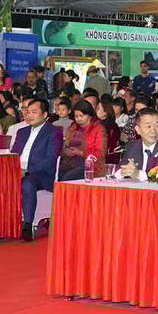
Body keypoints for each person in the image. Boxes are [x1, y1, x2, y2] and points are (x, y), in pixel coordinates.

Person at [13, 98, 63, 241]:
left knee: (28, 182)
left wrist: (27, 170)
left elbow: (50, 160)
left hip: (42, 175)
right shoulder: (21, 131)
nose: (29, 115)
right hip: (18, 170)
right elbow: (14, 154)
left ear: (45, 114)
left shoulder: (53, 132)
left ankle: (27, 225)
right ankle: (2, 223)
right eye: (27, 112)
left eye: (34, 112)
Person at [119, 107, 158, 180]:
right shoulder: (132, 146)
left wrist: (138, 174)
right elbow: (119, 169)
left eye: (157, 126)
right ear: (138, 130)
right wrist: (123, 172)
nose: (153, 131)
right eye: (148, 126)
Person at [57, 99, 107, 180]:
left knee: (67, 178)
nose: (78, 119)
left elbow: (101, 153)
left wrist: (80, 152)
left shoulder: (98, 129)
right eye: (76, 116)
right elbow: (64, 146)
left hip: (90, 165)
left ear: (89, 115)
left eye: (81, 116)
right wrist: (66, 151)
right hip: (70, 163)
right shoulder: (72, 127)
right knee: (55, 175)